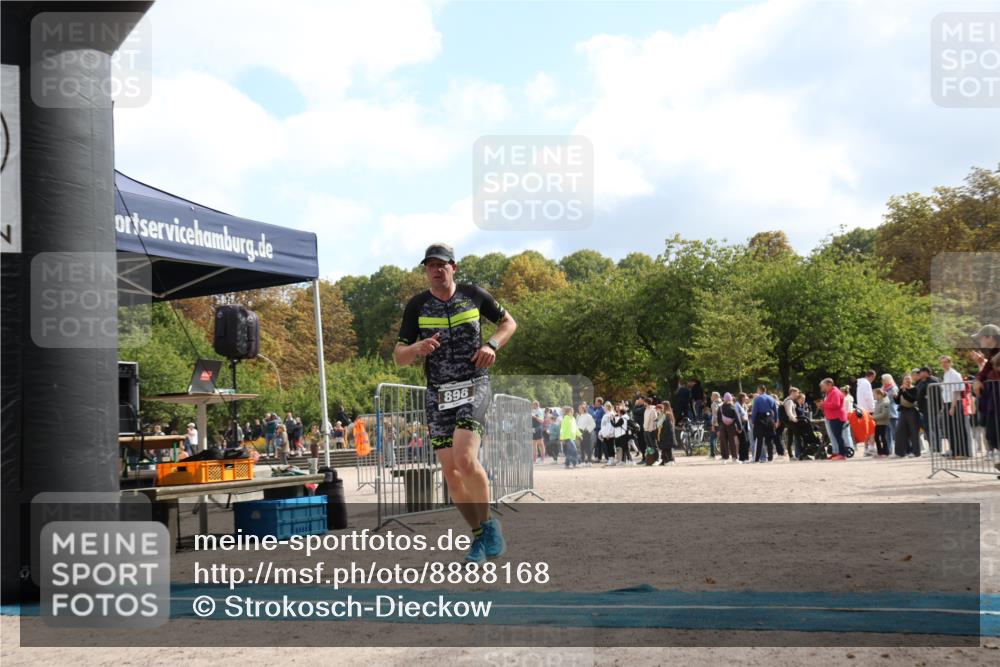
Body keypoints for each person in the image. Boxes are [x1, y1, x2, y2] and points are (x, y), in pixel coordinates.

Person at [393, 242, 517, 563]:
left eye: (441, 264)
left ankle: (489, 528)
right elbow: (399, 356)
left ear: (453, 267)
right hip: (438, 393)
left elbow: (509, 323)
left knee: (464, 457)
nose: (435, 270)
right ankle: (479, 535)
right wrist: (416, 348)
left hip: (474, 383)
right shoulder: (417, 305)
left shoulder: (473, 295)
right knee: (451, 473)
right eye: (429, 265)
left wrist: (491, 344)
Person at [970, 324, 1000, 460]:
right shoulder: (994, 353)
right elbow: (985, 371)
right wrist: (978, 380)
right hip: (994, 396)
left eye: (981, 338)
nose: (980, 342)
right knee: (992, 432)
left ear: (990, 337)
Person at [940, 355, 971, 457]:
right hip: (948, 403)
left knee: (958, 428)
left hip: (955, 403)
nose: (944, 364)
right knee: (951, 429)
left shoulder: (954, 374)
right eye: (942, 362)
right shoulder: (945, 374)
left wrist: (952, 407)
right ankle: (954, 450)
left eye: (945, 362)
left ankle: (963, 452)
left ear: (950, 362)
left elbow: (956, 392)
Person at [820, 379, 849, 460]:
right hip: (833, 417)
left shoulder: (835, 392)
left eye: (823, 386)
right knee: (836, 436)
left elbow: (836, 404)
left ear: (829, 384)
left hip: (837, 417)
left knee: (838, 436)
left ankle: (842, 454)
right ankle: (836, 453)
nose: (822, 387)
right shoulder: (831, 392)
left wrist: (824, 404)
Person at [894, 373, 922, 457]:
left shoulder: (914, 389)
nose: (907, 380)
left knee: (913, 432)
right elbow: (898, 402)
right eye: (905, 379)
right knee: (899, 431)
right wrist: (895, 397)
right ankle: (900, 453)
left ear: (911, 380)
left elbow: (912, 400)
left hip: (912, 411)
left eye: (908, 378)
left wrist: (905, 392)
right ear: (903, 380)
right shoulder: (902, 389)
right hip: (903, 411)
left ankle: (916, 452)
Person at [750, 385, 779, 463]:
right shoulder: (771, 398)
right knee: (769, 440)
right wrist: (776, 421)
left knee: (759, 440)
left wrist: (753, 421)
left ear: (759, 390)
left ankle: (756, 459)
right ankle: (770, 458)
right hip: (770, 418)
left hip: (760, 419)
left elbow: (754, 411)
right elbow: (775, 410)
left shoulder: (757, 399)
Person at [715, 394, 741, 463]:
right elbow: (737, 418)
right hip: (731, 426)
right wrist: (739, 427)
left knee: (723, 442)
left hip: (722, 426)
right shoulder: (733, 407)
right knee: (733, 442)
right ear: (730, 399)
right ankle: (734, 458)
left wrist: (719, 428)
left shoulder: (720, 408)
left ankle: (724, 458)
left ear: (724, 399)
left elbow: (719, 419)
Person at [881, 374, 899, 457]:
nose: (882, 381)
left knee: (895, 433)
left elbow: (889, 399)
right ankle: (889, 451)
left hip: (892, 413)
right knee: (887, 434)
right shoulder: (882, 389)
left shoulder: (894, 388)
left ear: (887, 380)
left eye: (883, 380)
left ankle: (898, 451)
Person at [872, 388, 891, 458]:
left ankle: (886, 452)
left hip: (883, 423)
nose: (874, 396)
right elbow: (876, 412)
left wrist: (874, 417)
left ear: (879, 395)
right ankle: (879, 452)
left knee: (883, 438)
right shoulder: (877, 402)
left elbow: (885, 414)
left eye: (875, 395)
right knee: (876, 438)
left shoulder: (885, 402)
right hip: (877, 423)